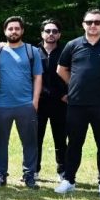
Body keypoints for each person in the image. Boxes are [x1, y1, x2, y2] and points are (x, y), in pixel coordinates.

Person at [54, 8, 100, 196]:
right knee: (74, 143)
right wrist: (74, 85)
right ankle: (69, 179)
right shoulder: (73, 45)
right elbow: (61, 69)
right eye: (89, 22)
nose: (93, 25)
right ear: (83, 24)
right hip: (76, 104)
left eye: (97, 22)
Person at [0, 16, 43, 188]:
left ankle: (29, 175)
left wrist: (35, 101)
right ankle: (0, 174)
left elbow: (38, 77)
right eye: (10, 28)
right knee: (0, 141)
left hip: (26, 104)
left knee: (29, 142)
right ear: (5, 31)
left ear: (22, 31)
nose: (14, 31)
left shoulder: (31, 51)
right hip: (2, 104)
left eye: (17, 28)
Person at [37, 19, 68, 182]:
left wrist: (67, 93)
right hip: (39, 103)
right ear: (42, 33)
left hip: (60, 102)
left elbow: (73, 74)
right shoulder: (34, 52)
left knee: (61, 139)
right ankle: (33, 170)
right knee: (36, 138)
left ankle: (63, 170)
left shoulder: (66, 52)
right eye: (48, 31)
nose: (51, 34)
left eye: (54, 31)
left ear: (59, 34)